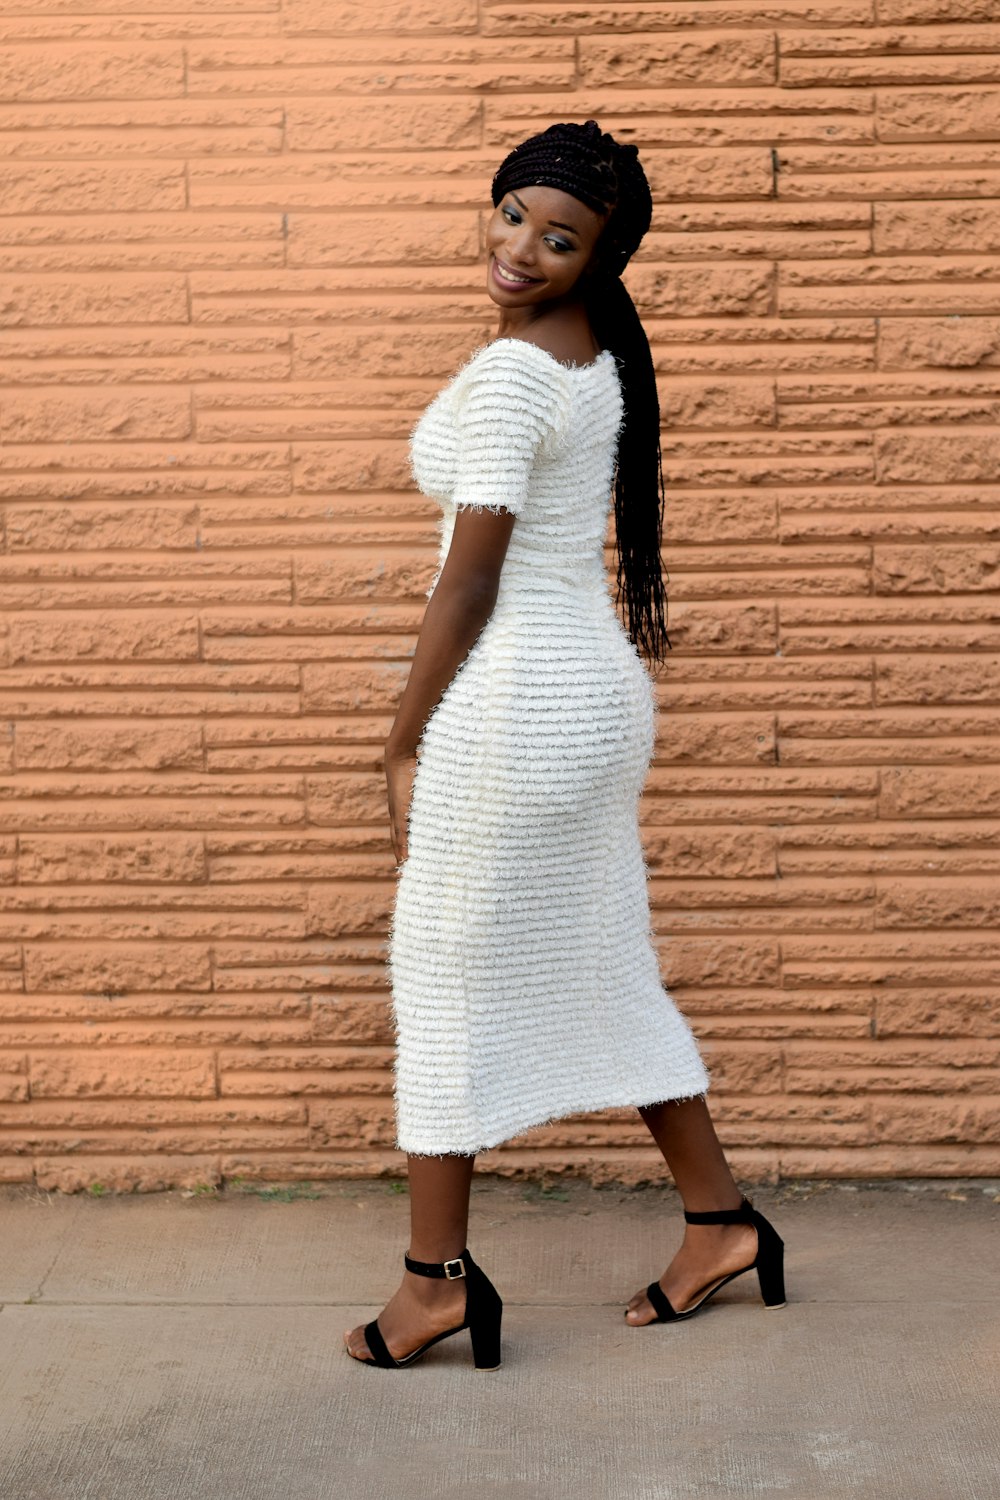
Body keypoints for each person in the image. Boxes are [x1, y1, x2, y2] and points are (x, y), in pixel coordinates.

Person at [344, 121, 786, 1371]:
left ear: (599, 257)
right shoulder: (585, 353)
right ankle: (720, 1223)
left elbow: (469, 582)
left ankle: (434, 1285)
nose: (521, 249)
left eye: (559, 238)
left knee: (438, 978)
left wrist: (398, 740)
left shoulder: (514, 375)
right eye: (512, 217)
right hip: (588, 696)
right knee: (601, 963)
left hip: (515, 704)